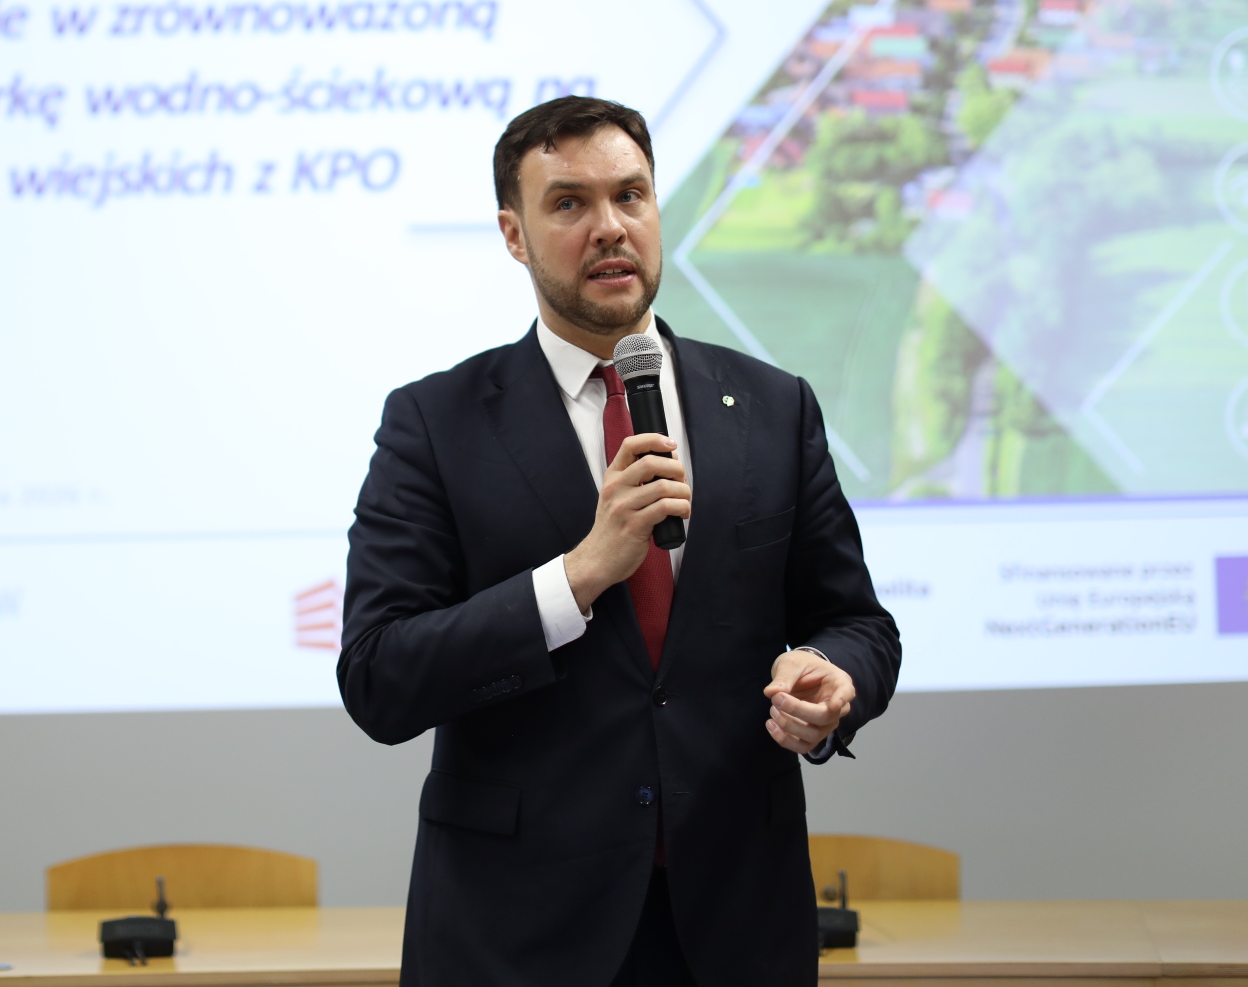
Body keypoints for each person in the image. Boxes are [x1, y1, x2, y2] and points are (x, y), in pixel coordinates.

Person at [339, 96, 900, 987]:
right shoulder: (435, 425)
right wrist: (576, 578)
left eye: (630, 195)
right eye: (568, 203)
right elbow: (379, 676)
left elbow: (859, 623)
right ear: (514, 235)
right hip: (518, 936)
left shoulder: (771, 405)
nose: (609, 227)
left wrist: (834, 675)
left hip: (736, 925)